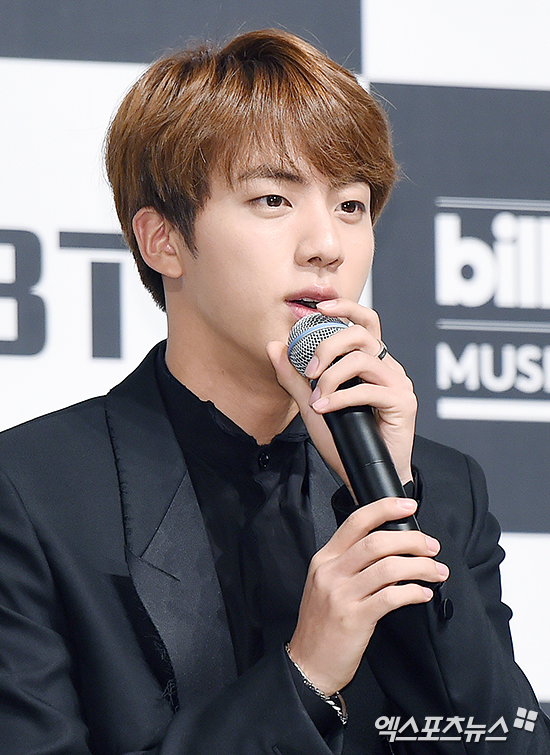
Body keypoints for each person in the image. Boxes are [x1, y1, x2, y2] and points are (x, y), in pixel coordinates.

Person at [0, 28, 548, 755]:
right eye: (272, 200)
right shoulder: (32, 491)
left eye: (351, 206)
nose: (326, 245)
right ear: (163, 240)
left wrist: (391, 500)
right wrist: (304, 676)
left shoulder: (442, 488)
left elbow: (503, 743)